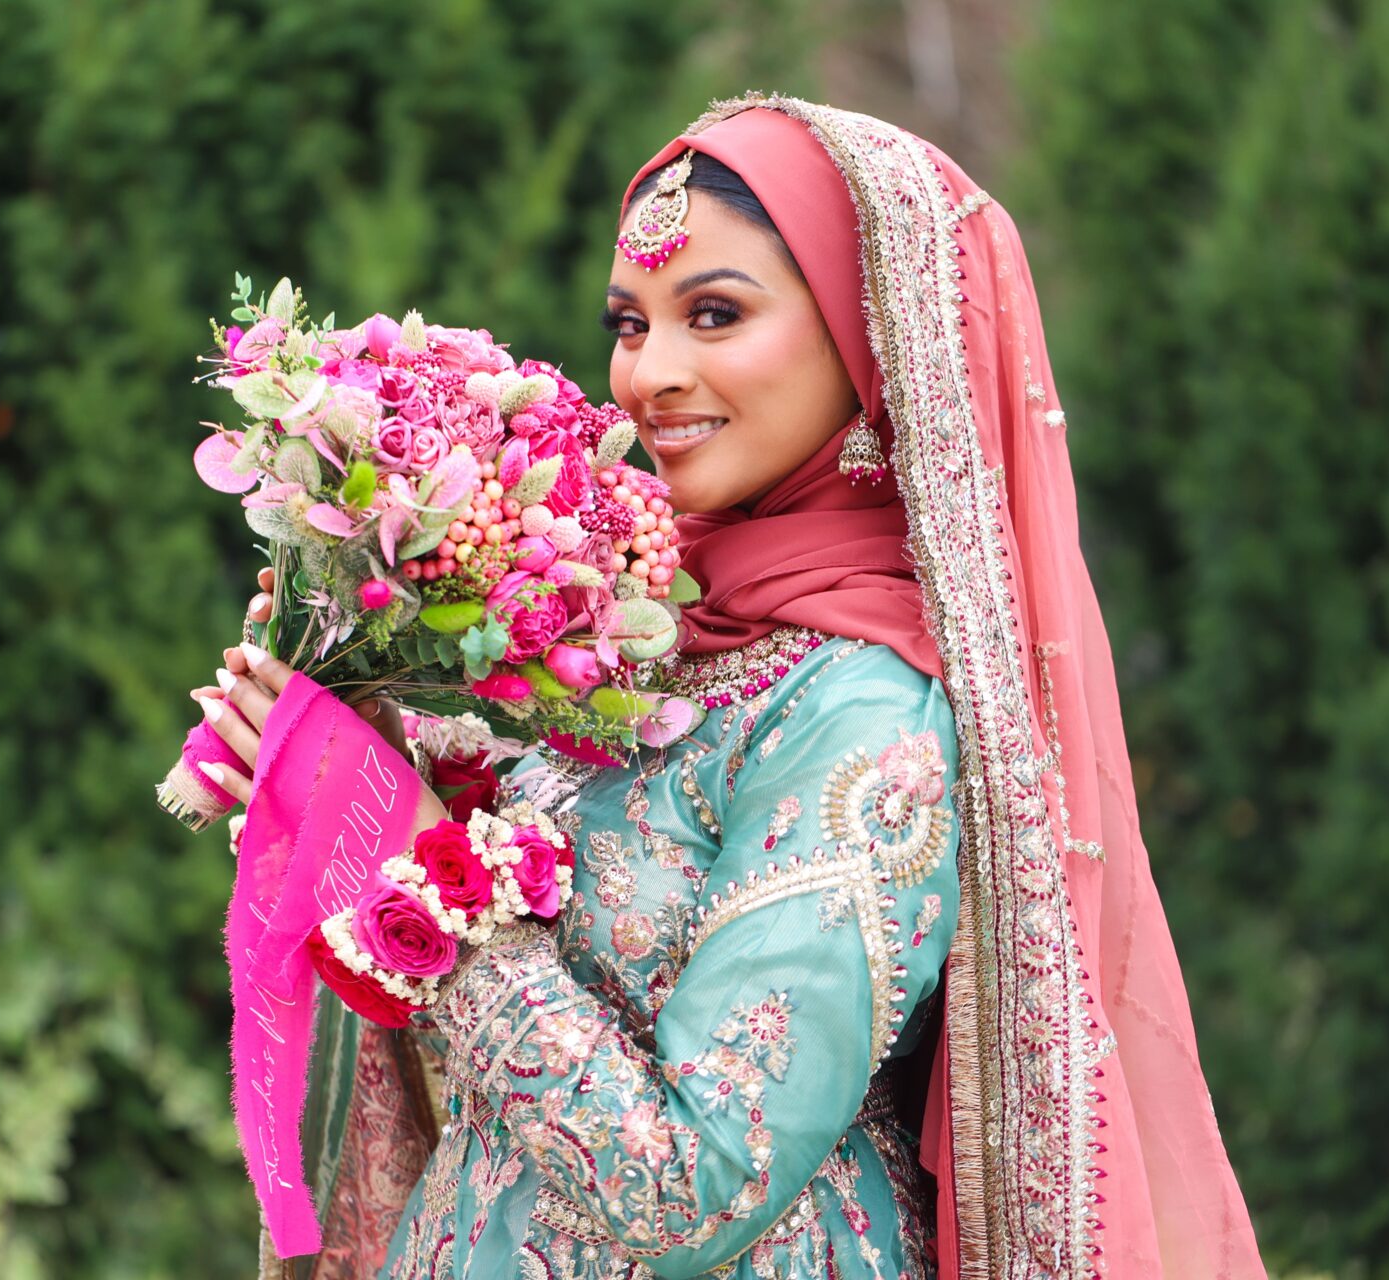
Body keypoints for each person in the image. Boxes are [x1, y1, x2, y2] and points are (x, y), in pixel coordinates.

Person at [196, 93, 1266, 1279]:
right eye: (630, 322)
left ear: (867, 340)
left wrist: (428, 884)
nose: (651, 374)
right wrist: (351, 761)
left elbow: (697, 1182)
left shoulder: (865, 709)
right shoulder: (622, 652)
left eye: (714, 313)